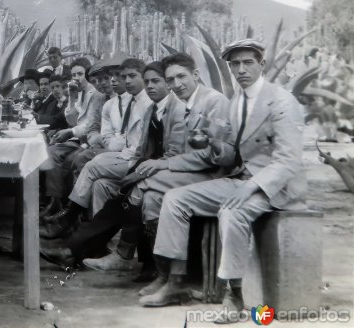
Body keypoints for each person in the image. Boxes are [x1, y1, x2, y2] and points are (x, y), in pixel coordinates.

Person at [140, 40, 305, 324]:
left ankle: (234, 295)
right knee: (175, 198)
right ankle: (176, 281)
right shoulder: (237, 102)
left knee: (232, 211)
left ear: (261, 64)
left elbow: (288, 160)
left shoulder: (281, 100)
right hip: (241, 178)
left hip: (275, 186)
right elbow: (231, 155)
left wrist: (251, 187)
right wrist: (215, 143)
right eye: (234, 64)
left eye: (247, 62)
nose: (240, 69)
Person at [83, 53, 230, 286]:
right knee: (150, 198)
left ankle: (125, 254)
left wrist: (162, 164)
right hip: (188, 170)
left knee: (139, 184)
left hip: (211, 175)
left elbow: (212, 156)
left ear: (196, 75)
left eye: (181, 77)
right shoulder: (184, 103)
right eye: (171, 80)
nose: (176, 84)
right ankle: (163, 274)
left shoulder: (213, 101)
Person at [39, 58, 104, 221]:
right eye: (74, 74)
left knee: (69, 159)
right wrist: (73, 99)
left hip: (88, 138)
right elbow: (72, 120)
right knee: (50, 152)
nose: (77, 78)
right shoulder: (78, 92)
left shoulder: (95, 93)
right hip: (78, 137)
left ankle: (70, 211)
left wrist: (70, 131)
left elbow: (91, 124)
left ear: (87, 75)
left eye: (80, 74)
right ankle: (55, 201)